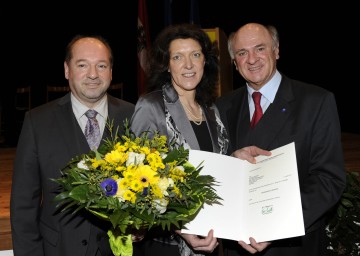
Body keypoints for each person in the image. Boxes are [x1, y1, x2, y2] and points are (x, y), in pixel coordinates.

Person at [130, 23, 270, 256]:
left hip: (212, 241)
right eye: (178, 57)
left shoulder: (210, 110)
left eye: (195, 55)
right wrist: (180, 228)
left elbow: (215, 169)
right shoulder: (151, 106)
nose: (188, 65)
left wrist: (235, 158)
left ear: (205, 61)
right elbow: (137, 185)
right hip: (167, 246)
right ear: (167, 65)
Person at [216, 23, 347, 255]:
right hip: (236, 246)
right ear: (234, 62)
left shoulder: (316, 102)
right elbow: (216, 174)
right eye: (242, 53)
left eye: (260, 48)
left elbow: (328, 180)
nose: (252, 59)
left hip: (293, 245)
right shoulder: (222, 107)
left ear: (276, 51)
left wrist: (277, 224)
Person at [10, 35, 135, 256]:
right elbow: (23, 206)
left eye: (101, 65)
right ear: (67, 70)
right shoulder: (37, 122)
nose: (93, 74)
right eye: (82, 65)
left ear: (111, 71)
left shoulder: (135, 115)